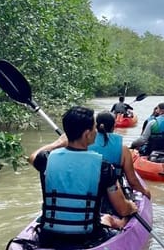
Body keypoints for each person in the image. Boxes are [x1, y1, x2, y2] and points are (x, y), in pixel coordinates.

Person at [27, 106, 137, 248]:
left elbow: (32, 158)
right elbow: (122, 209)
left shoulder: (46, 159)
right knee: (111, 218)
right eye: (94, 128)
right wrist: (131, 207)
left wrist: (58, 143)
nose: (96, 131)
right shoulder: (103, 167)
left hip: (49, 237)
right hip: (88, 238)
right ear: (87, 134)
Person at [89, 112, 151, 211]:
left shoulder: (86, 144)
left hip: (89, 192)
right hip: (114, 194)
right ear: (114, 126)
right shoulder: (123, 149)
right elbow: (132, 181)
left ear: (96, 125)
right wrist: (145, 192)